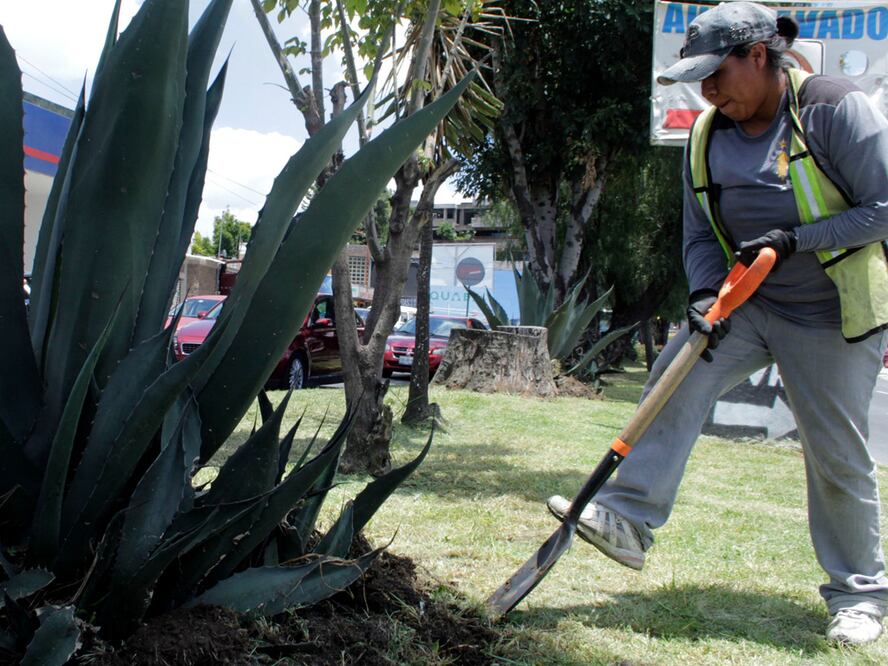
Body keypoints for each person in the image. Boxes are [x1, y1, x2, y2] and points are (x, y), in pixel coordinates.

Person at [547, 1, 888, 646]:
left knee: (835, 453)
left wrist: (797, 239)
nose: (706, 91)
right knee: (673, 378)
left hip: (831, 311)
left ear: (759, 55)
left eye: (715, 74)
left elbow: (883, 207)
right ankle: (627, 519)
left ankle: (859, 597)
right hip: (747, 303)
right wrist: (705, 290)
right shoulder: (706, 133)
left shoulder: (833, 109)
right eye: (697, 78)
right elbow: (700, 230)